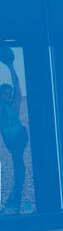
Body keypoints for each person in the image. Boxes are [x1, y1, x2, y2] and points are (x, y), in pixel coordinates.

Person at [0, 58, 30, 213]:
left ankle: (15, 198)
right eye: (5, 93)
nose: (8, 95)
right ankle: (15, 198)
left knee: (18, 164)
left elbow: (16, 84)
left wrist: (10, 65)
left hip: (19, 135)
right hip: (10, 140)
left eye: (9, 93)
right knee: (17, 163)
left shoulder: (15, 103)